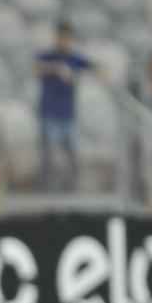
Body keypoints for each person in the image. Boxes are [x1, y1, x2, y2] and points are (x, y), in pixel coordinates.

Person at [37, 21, 93, 191]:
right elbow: (36, 68)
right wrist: (56, 69)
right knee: (49, 156)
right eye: (62, 38)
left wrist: (75, 75)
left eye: (67, 38)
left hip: (68, 113)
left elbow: (95, 68)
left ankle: (72, 188)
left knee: (72, 155)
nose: (64, 41)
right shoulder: (48, 56)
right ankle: (48, 189)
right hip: (49, 112)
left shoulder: (75, 58)